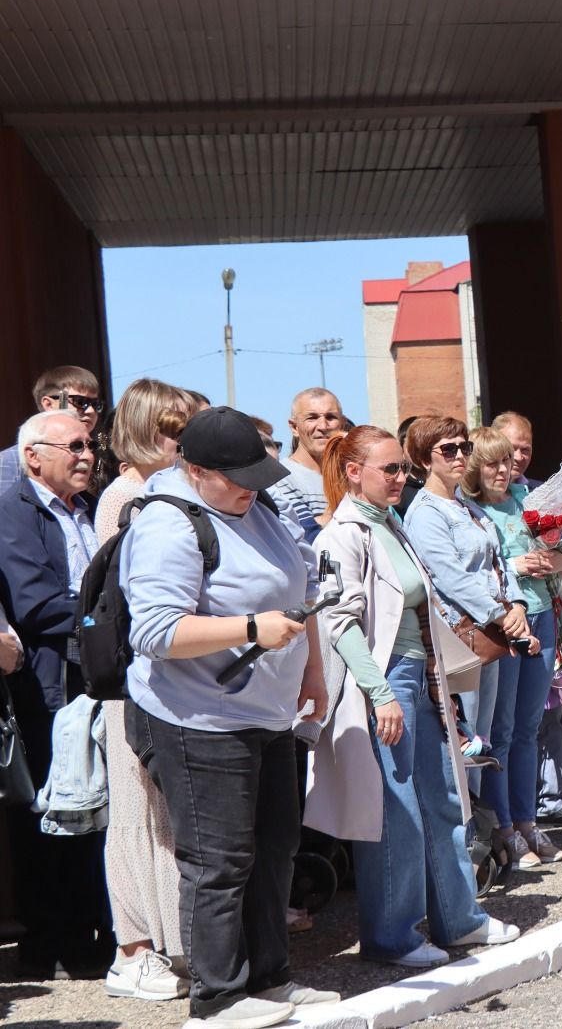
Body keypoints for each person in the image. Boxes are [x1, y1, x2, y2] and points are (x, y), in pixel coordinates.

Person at [121, 406, 335, 1028]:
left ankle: (269, 979)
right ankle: (216, 998)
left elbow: (302, 594)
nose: (250, 485)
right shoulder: (169, 523)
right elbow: (155, 631)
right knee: (219, 861)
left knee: (275, 848)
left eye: (256, 473)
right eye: (236, 476)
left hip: (266, 711)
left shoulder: (258, 506)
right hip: (199, 718)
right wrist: (249, 629)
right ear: (194, 470)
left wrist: (311, 670)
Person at [315, 426, 521, 968]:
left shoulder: (392, 524)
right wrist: (379, 692)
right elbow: (339, 623)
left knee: (444, 796)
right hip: (387, 681)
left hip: (420, 675)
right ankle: (392, 936)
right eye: (391, 469)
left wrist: (436, 679)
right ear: (354, 472)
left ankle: (460, 918)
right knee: (398, 808)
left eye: (403, 468)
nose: (401, 478)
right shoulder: (344, 533)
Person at [0, 408, 115, 981]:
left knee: (93, 804)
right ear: (33, 456)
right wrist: (109, 617)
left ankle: (92, 930)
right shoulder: (13, 512)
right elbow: (35, 604)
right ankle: (53, 941)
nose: (86, 456)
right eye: (73, 446)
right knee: (52, 808)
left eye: (89, 446)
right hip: (47, 684)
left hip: (93, 674)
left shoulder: (86, 510)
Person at [94, 380, 199, 1002]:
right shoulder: (126, 497)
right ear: (138, 429)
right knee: (134, 813)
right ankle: (132, 950)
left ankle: (167, 942)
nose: (178, 440)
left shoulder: (162, 493)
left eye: (183, 427)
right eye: (168, 428)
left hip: (162, 677)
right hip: (129, 680)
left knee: (163, 813)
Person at [402, 417, 533, 797]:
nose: (460, 455)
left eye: (464, 447)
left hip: (490, 631)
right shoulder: (426, 512)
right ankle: (464, 835)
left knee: (486, 734)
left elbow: (500, 560)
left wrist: (518, 604)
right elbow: (449, 577)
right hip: (460, 636)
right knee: (464, 733)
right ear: (425, 459)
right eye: (448, 449)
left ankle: (484, 830)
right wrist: (501, 614)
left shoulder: (466, 507)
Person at [463, 426, 562, 867]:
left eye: (508, 461)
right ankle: (503, 827)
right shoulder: (466, 511)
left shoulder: (530, 502)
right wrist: (513, 563)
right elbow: (467, 568)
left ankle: (528, 822)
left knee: (529, 727)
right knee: (500, 732)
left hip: (542, 614)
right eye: (493, 462)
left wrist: (554, 559)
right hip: (503, 623)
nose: (504, 470)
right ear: (474, 467)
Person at [0, 365, 104, 490]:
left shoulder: (104, 458)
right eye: (80, 402)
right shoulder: (11, 461)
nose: (91, 410)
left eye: (95, 404)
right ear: (49, 404)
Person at [267, 387, 345, 542]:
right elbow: (305, 536)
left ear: (341, 423)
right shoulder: (280, 478)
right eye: (312, 418)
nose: (322, 426)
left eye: (330, 417)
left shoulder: (350, 473)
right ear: (294, 427)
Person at [493, 411, 535, 486]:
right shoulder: (472, 494)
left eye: (525, 450)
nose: (519, 458)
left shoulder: (543, 494)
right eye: (511, 448)